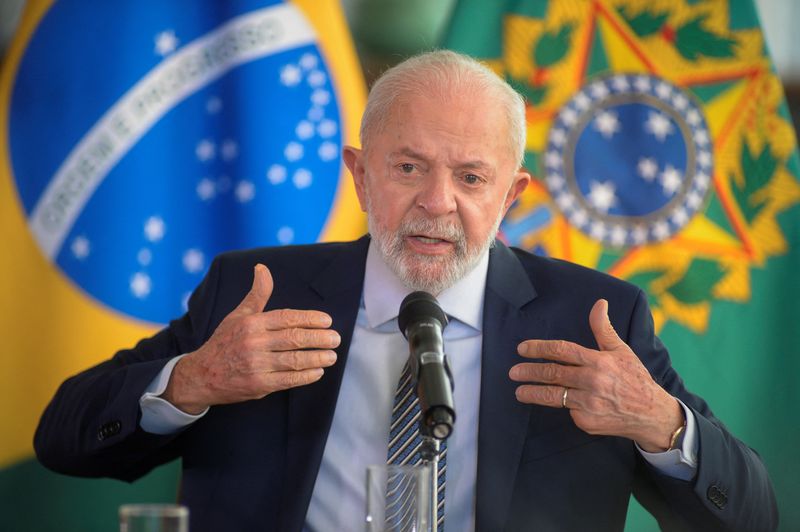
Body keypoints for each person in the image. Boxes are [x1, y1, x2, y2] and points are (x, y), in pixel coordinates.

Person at [35, 50, 777, 532]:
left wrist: (656, 421)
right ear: (360, 175)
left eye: (471, 177)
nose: (437, 202)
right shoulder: (256, 292)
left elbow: (752, 515)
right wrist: (192, 381)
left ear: (512, 194)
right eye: (408, 168)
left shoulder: (595, 321)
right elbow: (63, 436)